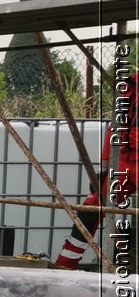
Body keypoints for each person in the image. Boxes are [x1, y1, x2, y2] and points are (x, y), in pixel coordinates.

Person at [53, 71, 134, 270]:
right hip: (125, 158)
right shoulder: (132, 84)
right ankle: (65, 264)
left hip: (127, 156)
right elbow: (115, 126)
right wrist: (106, 166)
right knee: (93, 205)